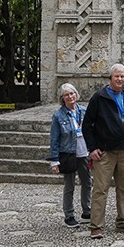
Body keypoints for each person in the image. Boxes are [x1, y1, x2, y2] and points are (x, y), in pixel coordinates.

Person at [81, 64, 124, 239]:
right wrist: (92, 148)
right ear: (110, 78)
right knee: (100, 190)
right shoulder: (99, 97)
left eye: (122, 76)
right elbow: (87, 124)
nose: (120, 79)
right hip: (105, 151)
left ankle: (123, 221)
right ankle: (96, 226)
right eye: (117, 76)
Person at [49, 83, 91, 228]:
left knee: (87, 182)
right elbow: (54, 139)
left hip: (83, 152)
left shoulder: (83, 111)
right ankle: (69, 215)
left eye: (72, 93)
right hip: (68, 154)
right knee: (69, 185)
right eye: (66, 95)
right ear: (62, 98)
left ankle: (87, 211)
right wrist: (54, 161)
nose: (70, 97)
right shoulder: (58, 116)